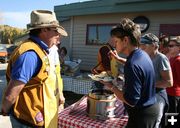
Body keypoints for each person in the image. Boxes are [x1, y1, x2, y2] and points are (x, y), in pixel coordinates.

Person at [1, 10, 67, 128]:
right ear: (44, 30)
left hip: (36, 117)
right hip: (28, 120)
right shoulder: (30, 55)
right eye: (56, 31)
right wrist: (5, 110)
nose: (59, 35)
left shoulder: (40, 50)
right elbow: (11, 93)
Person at [101, 18, 159, 128]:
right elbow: (135, 65)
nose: (115, 45)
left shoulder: (132, 64)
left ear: (125, 40)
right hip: (150, 109)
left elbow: (131, 100)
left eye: (117, 41)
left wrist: (111, 86)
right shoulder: (141, 55)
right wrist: (118, 59)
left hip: (141, 116)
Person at [140, 33, 173, 128]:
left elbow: (169, 82)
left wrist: (148, 84)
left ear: (154, 46)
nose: (141, 48)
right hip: (148, 93)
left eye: (144, 45)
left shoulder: (161, 58)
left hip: (158, 95)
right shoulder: (145, 57)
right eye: (140, 45)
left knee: (154, 123)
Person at [166, 36, 180, 113]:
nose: (169, 47)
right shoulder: (171, 59)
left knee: (172, 118)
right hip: (168, 92)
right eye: (169, 45)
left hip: (174, 94)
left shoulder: (178, 60)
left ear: (179, 47)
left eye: (171, 46)